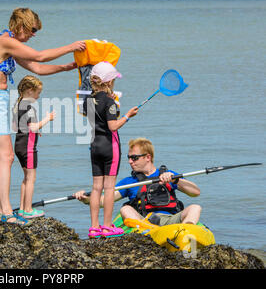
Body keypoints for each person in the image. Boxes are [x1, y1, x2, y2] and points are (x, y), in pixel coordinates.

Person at [0, 7, 86, 225]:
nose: (34, 35)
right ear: (20, 25)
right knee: (7, 157)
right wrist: (71, 47)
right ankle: (6, 212)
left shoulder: (10, 46)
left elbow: (37, 68)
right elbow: (39, 55)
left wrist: (67, 67)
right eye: (32, 30)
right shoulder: (5, 41)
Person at [74, 137, 202, 227]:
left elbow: (195, 192)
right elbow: (103, 201)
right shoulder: (130, 182)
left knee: (195, 208)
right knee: (125, 209)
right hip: (145, 222)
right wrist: (85, 199)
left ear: (148, 157)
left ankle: (185, 230)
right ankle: (151, 232)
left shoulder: (169, 175)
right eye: (129, 158)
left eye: (134, 158)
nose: (130, 161)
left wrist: (176, 179)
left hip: (171, 220)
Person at [82, 62, 139, 238]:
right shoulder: (110, 102)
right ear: (108, 82)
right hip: (109, 146)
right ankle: (107, 226)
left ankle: (94, 227)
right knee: (109, 187)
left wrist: (114, 105)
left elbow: (96, 117)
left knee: (96, 187)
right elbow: (113, 126)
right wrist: (127, 116)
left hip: (94, 145)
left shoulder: (87, 101)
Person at [12, 75, 56, 219]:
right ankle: (29, 209)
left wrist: (36, 132)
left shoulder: (18, 104)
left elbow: (16, 127)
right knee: (31, 178)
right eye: (38, 93)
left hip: (19, 144)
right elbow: (33, 126)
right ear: (30, 91)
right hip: (28, 148)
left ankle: (22, 209)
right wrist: (47, 119)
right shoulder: (28, 107)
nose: (38, 96)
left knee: (25, 178)